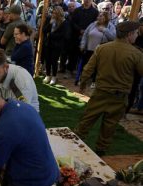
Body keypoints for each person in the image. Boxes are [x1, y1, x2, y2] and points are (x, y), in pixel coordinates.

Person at [75, 21, 143, 156]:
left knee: (86, 122)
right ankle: (100, 152)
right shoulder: (136, 53)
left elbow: (88, 69)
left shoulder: (102, 48)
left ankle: (73, 145)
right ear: (129, 34)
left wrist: (83, 84)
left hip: (100, 93)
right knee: (109, 127)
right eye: (136, 33)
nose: (137, 36)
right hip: (119, 97)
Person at [0, 48, 39, 112]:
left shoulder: (20, 79)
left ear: (6, 67)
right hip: (5, 111)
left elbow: (21, 109)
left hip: (26, 116)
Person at [79, 11, 116, 88]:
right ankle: (83, 80)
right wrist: (83, 45)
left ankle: (94, 81)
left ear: (106, 18)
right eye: (98, 16)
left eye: (101, 16)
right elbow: (85, 34)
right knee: (86, 66)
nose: (98, 17)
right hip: (89, 49)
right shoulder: (93, 24)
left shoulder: (110, 26)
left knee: (98, 67)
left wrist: (104, 30)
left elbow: (113, 37)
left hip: (102, 51)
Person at [42, 6, 69, 85]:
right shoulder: (49, 19)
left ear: (59, 13)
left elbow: (63, 34)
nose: (53, 14)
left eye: (55, 13)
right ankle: (47, 75)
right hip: (48, 44)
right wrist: (49, 24)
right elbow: (44, 30)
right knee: (47, 60)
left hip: (57, 45)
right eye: (53, 13)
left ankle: (54, 76)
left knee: (54, 61)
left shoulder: (64, 22)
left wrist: (51, 35)